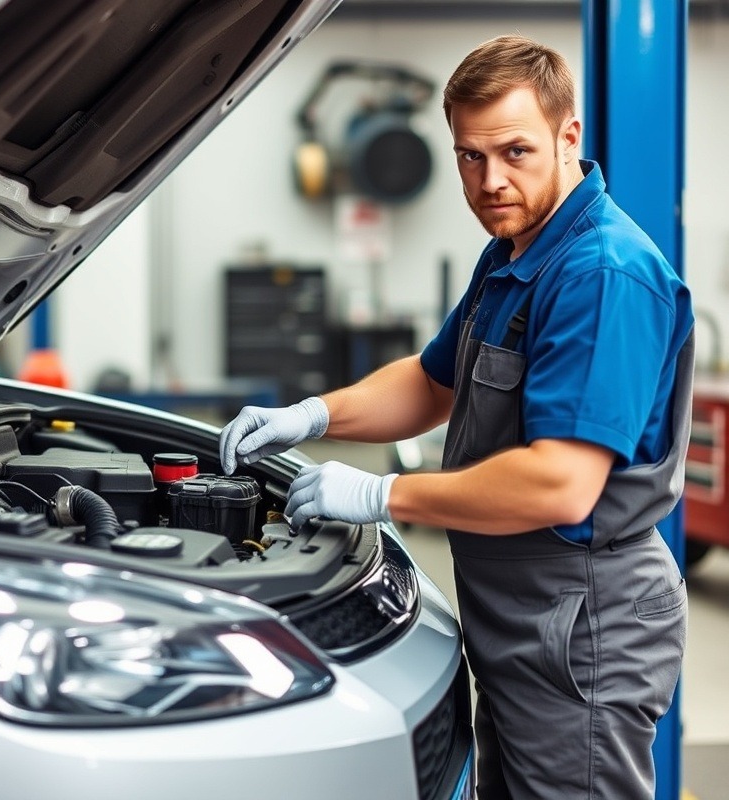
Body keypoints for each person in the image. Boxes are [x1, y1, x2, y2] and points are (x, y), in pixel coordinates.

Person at [220, 35, 694, 800]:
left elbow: (559, 486)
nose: (490, 181)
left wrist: (381, 496)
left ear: (568, 136)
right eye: (470, 158)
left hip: (581, 621)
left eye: (514, 151)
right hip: (524, 616)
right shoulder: (515, 251)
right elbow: (433, 382)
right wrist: (310, 415)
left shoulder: (601, 274)